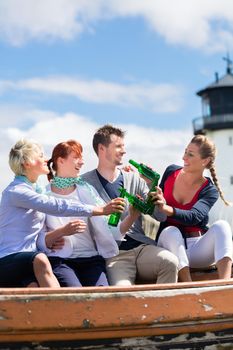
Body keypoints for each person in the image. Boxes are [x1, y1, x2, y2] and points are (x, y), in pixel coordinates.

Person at [0, 138, 125, 288]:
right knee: (41, 260)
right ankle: (60, 306)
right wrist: (99, 210)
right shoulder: (18, 192)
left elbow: (37, 233)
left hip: (30, 260)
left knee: (33, 287)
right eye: (40, 156)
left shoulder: (36, 190)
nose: (46, 159)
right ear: (27, 163)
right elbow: (56, 206)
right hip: (14, 259)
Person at [82, 124, 179, 286]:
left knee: (170, 262)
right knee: (122, 291)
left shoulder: (134, 179)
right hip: (114, 255)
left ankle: (161, 310)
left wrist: (152, 189)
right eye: (118, 146)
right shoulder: (85, 183)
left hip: (142, 248)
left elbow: (160, 216)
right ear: (101, 148)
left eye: (123, 146)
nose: (124, 151)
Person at [37, 139, 138, 287]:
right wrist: (61, 232)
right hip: (61, 261)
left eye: (82, 158)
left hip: (91, 260)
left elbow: (112, 232)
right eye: (76, 157)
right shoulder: (43, 196)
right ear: (60, 161)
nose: (82, 162)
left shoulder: (87, 191)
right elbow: (37, 239)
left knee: (102, 296)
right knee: (77, 295)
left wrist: (133, 216)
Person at [154, 134, 233, 281]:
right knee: (172, 231)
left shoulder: (210, 190)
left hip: (197, 248)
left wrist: (166, 208)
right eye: (185, 152)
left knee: (222, 226)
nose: (184, 157)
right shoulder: (171, 171)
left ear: (205, 160)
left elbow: (194, 217)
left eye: (190, 155)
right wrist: (148, 185)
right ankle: (188, 285)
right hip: (169, 246)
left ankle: (225, 285)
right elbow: (156, 207)